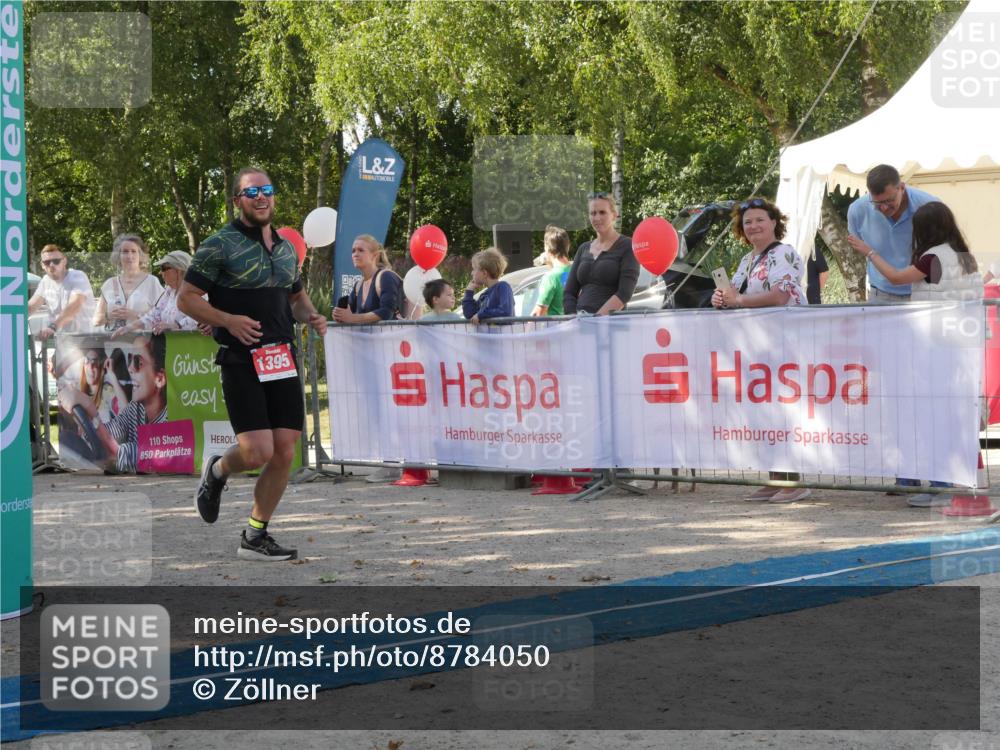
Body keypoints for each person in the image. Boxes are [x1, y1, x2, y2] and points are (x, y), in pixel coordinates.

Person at [178, 167, 327, 561]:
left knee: (284, 451)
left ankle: (255, 535)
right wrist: (227, 320)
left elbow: (295, 298)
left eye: (267, 190)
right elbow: (187, 298)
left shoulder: (285, 248)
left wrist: (312, 315)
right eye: (252, 192)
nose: (261, 197)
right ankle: (217, 472)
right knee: (258, 450)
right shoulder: (218, 245)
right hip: (240, 358)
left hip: (281, 357)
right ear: (237, 200)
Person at [852, 201, 982, 508]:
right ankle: (930, 477)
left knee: (927, 415)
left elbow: (897, 278)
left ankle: (939, 484)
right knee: (939, 414)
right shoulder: (965, 258)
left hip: (932, 344)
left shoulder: (932, 257)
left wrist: (869, 252)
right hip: (955, 344)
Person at [712, 197, 810, 504]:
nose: (753, 226)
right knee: (763, 412)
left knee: (784, 411)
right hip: (756, 345)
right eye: (747, 221)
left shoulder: (785, 253)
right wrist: (722, 299)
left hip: (785, 342)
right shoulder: (746, 260)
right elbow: (736, 295)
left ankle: (795, 480)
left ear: (774, 222)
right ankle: (775, 476)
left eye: (759, 220)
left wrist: (737, 301)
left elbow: (781, 295)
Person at [60, 335, 168, 474]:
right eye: (129, 359)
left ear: (159, 379)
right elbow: (111, 432)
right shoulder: (136, 409)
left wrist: (90, 409)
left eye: (137, 362)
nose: (130, 368)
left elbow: (119, 455)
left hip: (146, 491)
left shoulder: (169, 421)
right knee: (66, 438)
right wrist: (79, 416)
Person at [847, 164, 938, 302]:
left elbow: (941, 254)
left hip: (923, 293)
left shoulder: (930, 206)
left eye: (889, 200)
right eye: (877, 203)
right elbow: (858, 246)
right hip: (880, 294)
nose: (884, 208)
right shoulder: (857, 210)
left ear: (902, 187)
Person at [563, 193, 639, 315]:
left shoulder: (628, 246)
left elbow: (624, 293)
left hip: (612, 326)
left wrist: (596, 321)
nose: (597, 218)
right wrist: (573, 318)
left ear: (614, 215)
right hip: (580, 324)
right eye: (593, 213)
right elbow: (569, 292)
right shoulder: (583, 248)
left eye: (602, 212)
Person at [114, 250, 201, 337]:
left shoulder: (197, 291)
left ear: (178, 271)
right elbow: (154, 315)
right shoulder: (169, 291)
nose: (160, 272)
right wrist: (127, 328)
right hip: (171, 346)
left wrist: (176, 325)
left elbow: (200, 317)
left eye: (163, 268)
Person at [93, 234, 164, 332]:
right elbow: (96, 320)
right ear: (118, 256)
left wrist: (135, 315)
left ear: (140, 255)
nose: (129, 256)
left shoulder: (152, 282)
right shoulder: (109, 284)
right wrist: (108, 316)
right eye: (125, 252)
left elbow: (163, 316)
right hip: (112, 343)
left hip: (144, 343)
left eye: (134, 251)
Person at [332, 235, 404, 324]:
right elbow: (349, 312)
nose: (355, 254)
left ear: (375, 255)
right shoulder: (358, 285)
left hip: (394, 337)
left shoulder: (386, 277)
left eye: (360, 250)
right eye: (353, 251)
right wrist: (340, 316)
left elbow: (386, 312)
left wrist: (352, 318)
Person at [28, 244, 95, 339]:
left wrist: (53, 327)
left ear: (64, 261)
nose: (51, 265)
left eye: (56, 261)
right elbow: (30, 307)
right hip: (62, 341)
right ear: (42, 265)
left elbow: (74, 306)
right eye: (47, 262)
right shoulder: (45, 281)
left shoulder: (77, 276)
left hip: (86, 341)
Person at [462, 247, 514, 321]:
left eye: (474, 269)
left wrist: (481, 315)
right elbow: (470, 315)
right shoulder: (484, 295)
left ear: (484, 273)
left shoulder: (503, 287)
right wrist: (469, 292)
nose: (471, 273)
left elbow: (505, 311)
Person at [532, 225, 572, 317]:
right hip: (574, 327)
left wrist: (526, 331)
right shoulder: (575, 271)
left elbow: (538, 313)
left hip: (554, 329)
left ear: (547, 248)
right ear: (568, 247)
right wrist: (550, 264)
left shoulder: (551, 277)